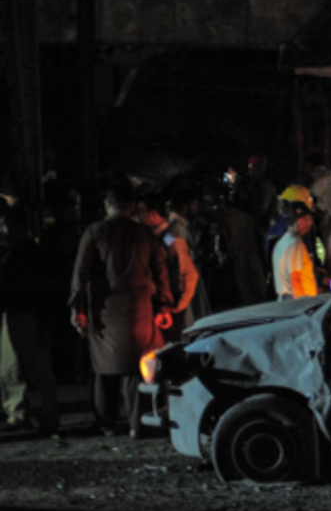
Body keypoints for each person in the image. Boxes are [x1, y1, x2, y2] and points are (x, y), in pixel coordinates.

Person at [69, 177, 174, 438]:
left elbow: (80, 275)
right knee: (137, 368)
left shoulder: (94, 232)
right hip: (139, 309)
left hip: (103, 310)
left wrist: (77, 308)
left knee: (103, 370)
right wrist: (163, 305)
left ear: (108, 203)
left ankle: (107, 423)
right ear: (131, 205)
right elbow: (162, 271)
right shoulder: (145, 234)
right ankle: (137, 423)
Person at [0, 208, 60, 435]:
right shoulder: (28, 251)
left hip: (23, 312)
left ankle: (22, 413)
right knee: (23, 367)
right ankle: (42, 414)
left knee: (19, 367)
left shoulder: (21, 253)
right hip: (24, 312)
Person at [137, 192, 206, 341]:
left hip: (173, 307)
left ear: (153, 214)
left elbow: (191, 274)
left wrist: (179, 306)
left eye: (142, 211)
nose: (139, 216)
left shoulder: (169, 238)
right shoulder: (156, 238)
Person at [272, 193, 319, 300]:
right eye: (309, 219)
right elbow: (295, 281)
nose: (311, 223)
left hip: (285, 301)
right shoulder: (296, 245)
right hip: (295, 302)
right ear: (301, 222)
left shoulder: (281, 243)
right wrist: (303, 305)